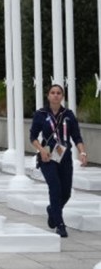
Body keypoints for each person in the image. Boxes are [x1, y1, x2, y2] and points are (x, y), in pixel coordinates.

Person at [29, 83, 88, 238]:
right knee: (55, 188)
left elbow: (76, 136)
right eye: (53, 92)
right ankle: (60, 224)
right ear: (48, 96)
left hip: (65, 158)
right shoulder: (41, 114)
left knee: (66, 193)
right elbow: (33, 137)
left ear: (62, 96)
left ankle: (52, 210)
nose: (55, 95)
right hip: (47, 157)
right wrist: (41, 150)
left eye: (59, 93)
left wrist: (82, 152)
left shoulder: (68, 114)